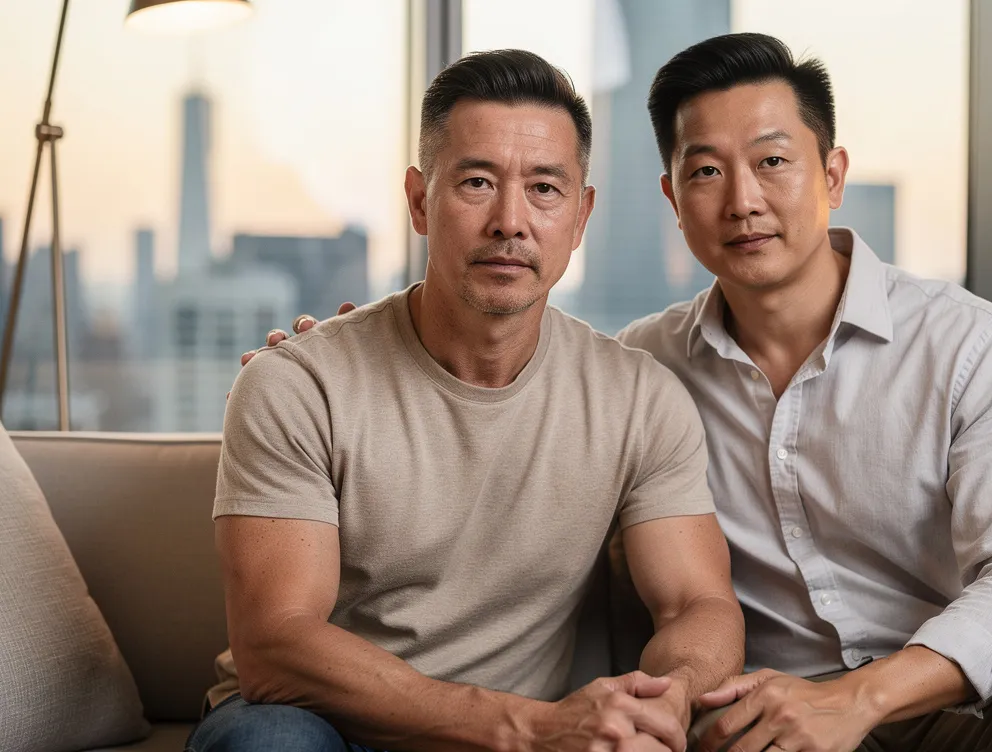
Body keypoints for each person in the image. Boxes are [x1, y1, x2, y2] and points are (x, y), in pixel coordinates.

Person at [261, 34, 992, 752]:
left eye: (773, 161)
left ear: (832, 175)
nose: (742, 199)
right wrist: (345, 353)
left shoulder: (969, 347)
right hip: (760, 721)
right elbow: (489, 371)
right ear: (673, 201)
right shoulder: (646, 368)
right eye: (706, 171)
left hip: (952, 701)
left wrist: (856, 699)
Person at [192, 49, 745, 752]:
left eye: (545, 189)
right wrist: (529, 727)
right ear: (420, 200)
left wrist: (667, 699)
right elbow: (276, 644)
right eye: (477, 182)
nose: (510, 221)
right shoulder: (299, 385)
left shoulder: (639, 399)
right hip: (329, 725)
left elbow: (698, 603)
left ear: (581, 215)